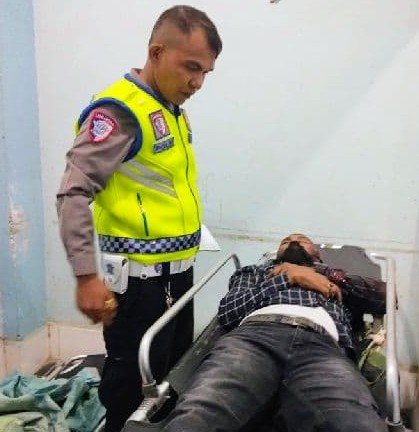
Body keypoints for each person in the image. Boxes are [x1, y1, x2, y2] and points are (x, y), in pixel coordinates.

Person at [56, 6, 222, 432]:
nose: (197, 83)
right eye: (191, 67)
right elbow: (73, 192)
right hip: (139, 287)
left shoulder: (170, 109)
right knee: (131, 393)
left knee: (172, 384)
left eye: (205, 72)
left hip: (177, 279)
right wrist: (85, 277)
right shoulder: (119, 113)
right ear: (156, 52)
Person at [161, 233, 387, 432]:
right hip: (254, 340)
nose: (293, 241)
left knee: (356, 422)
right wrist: (286, 278)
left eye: (302, 240)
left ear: (317, 254)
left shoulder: (335, 279)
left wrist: (324, 274)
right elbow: (230, 312)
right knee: (197, 416)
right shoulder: (254, 272)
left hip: (321, 347)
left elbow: (384, 297)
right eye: (286, 241)